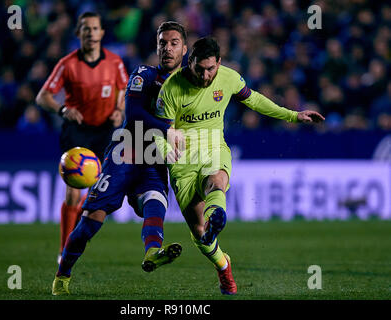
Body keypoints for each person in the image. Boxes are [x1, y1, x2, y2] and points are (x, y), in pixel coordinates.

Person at [154, 37, 325, 295]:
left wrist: (293, 115)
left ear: (219, 63)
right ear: (190, 63)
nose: (205, 75)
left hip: (214, 148)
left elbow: (254, 100)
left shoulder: (229, 78)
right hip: (182, 162)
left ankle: (217, 216)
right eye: (199, 69)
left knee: (216, 181)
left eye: (211, 69)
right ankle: (224, 266)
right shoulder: (171, 88)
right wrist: (167, 150)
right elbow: (158, 131)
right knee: (200, 235)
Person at [52, 21, 188, 295]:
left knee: (155, 200)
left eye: (174, 43)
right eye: (163, 43)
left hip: (154, 159)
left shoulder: (190, 86)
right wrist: (169, 130)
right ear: (156, 46)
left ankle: (152, 252)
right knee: (92, 219)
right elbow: (135, 115)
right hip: (125, 151)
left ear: (184, 49)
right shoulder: (144, 74)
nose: (167, 48)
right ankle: (62, 275)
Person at [36, 12, 128, 262]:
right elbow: (42, 96)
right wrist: (63, 110)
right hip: (77, 131)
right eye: (85, 29)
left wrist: (120, 109)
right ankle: (64, 249)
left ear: (102, 33)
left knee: (99, 191)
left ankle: (77, 234)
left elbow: (124, 88)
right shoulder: (67, 64)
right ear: (78, 34)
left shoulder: (115, 62)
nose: (90, 33)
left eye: (95, 28)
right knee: (73, 193)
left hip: (106, 131)